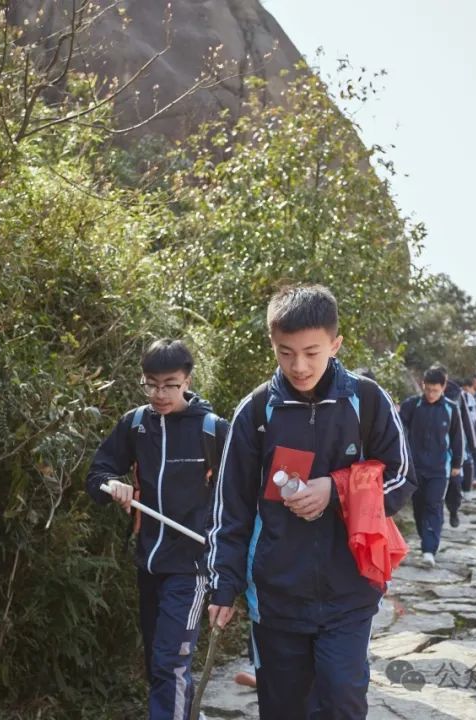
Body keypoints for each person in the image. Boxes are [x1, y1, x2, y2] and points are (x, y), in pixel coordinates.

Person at [206, 284, 414, 720]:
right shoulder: (256, 412)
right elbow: (231, 508)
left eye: (311, 353)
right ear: (272, 344)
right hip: (276, 597)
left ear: (335, 345)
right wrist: (223, 584)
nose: (299, 366)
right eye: (286, 353)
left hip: (350, 591)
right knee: (284, 710)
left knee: (342, 701)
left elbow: (402, 478)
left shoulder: (366, 401)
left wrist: (335, 490)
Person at [85, 340, 229, 720]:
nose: (159, 394)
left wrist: (228, 560)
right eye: (151, 384)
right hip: (148, 564)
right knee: (158, 664)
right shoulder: (135, 425)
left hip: (192, 566)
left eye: (170, 385)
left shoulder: (212, 430)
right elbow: (96, 474)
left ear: (187, 381)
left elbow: (240, 496)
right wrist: (112, 485)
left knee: (170, 662)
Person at [399, 366, 465, 567]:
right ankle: (426, 538)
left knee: (433, 505)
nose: (431, 394)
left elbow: (457, 438)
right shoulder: (412, 406)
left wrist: (457, 464)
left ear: (443, 388)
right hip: (415, 468)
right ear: (423, 385)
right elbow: (398, 431)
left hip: (439, 469)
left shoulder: (451, 409)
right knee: (419, 507)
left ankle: (429, 550)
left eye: (435, 390)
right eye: (428, 389)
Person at [441, 375, 476, 526]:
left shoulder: (457, 396)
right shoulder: (422, 400)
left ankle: (453, 510)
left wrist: (472, 443)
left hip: (455, 445)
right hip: (434, 450)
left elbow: (466, 421)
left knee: (454, 483)